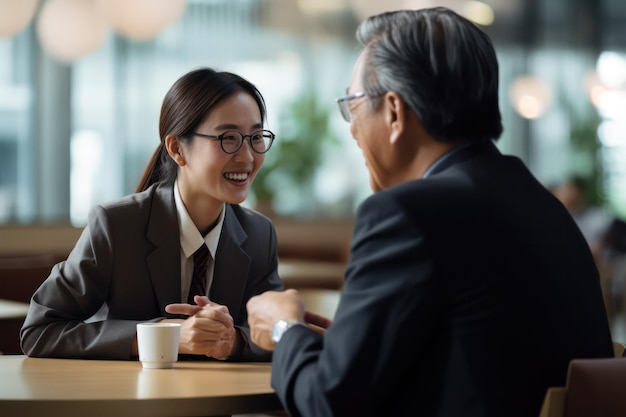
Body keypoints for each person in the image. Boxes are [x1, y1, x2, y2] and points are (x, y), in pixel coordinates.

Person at [246, 8, 613, 417]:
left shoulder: (407, 214)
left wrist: (284, 330)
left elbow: (328, 404)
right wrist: (349, 344)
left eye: (352, 105)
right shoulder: (543, 206)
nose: (351, 128)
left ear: (394, 112)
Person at [21, 67, 283, 361]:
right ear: (177, 149)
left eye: (256, 137)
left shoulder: (259, 235)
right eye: (229, 138)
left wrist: (233, 341)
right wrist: (164, 336)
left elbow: (277, 337)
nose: (247, 156)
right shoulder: (116, 226)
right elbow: (40, 330)